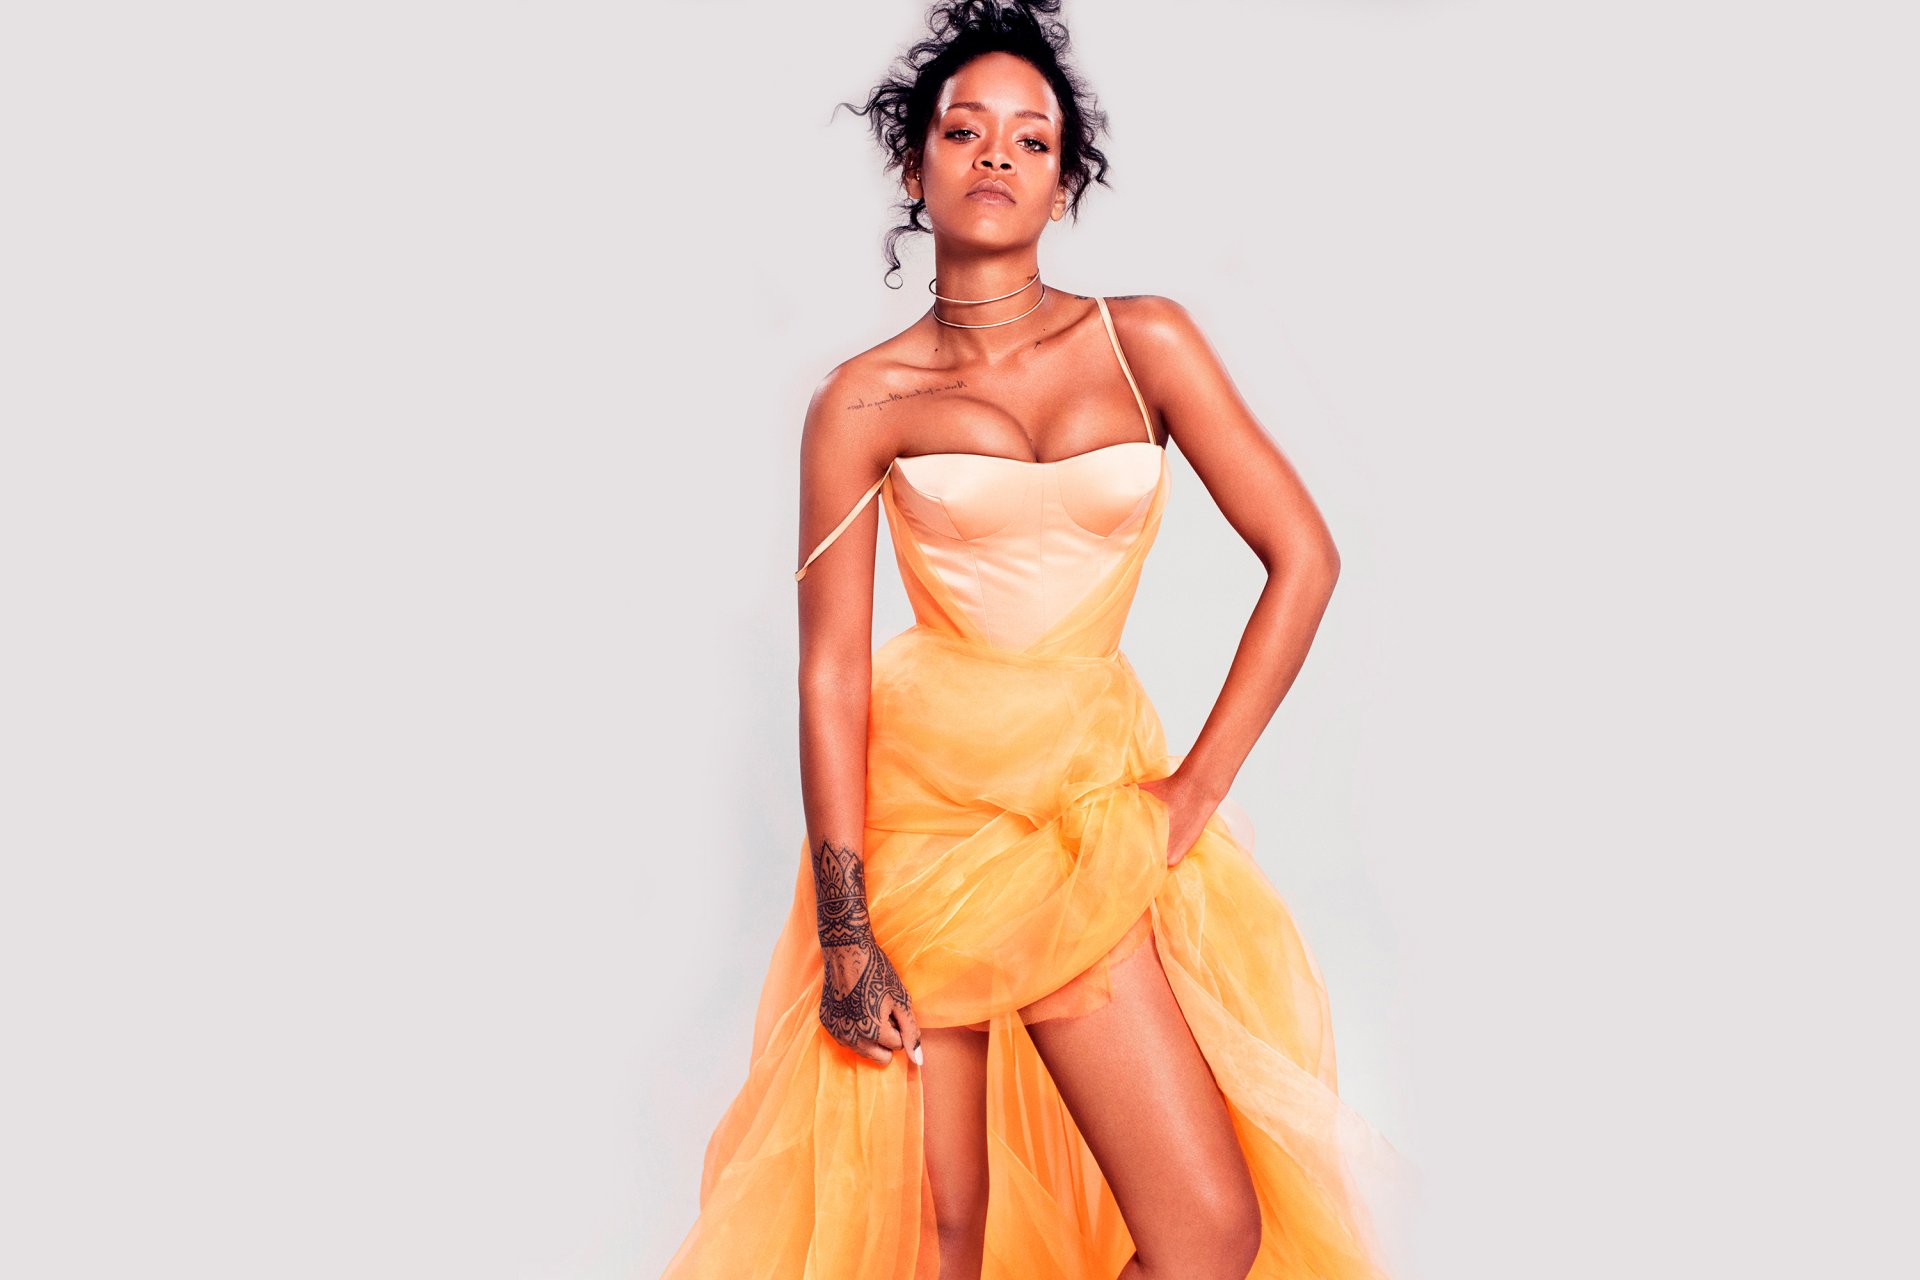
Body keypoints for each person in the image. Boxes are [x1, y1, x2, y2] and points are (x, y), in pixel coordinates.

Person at [664, 3, 1398, 1276]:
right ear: (917, 168)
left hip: (1080, 821)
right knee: (943, 1231)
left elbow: (1304, 556)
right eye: (964, 131)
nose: (996, 153)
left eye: (1031, 138)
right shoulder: (861, 398)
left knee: (1206, 1231)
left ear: (1064, 183)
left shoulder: (1145, 340)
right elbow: (831, 671)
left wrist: (1190, 794)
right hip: (925, 830)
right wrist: (845, 929)